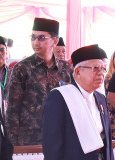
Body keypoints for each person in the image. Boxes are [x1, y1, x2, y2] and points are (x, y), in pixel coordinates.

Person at [6, 17, 73, 146]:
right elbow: (13, 109)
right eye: (33, 37)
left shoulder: (67, 69)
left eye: (41, 38)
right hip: (31, 139)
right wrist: (13, 145)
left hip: (61, 137)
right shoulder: (22, 68)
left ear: (55, 41)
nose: (36, 42)